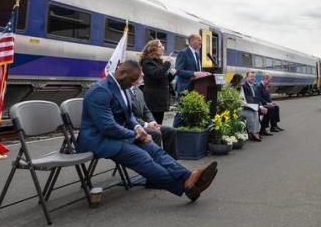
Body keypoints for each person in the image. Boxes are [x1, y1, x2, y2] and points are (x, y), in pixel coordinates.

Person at [77, 60, 218, 202]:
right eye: (132, 80)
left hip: (117, 135)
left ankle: (189, 177)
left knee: (155, 151)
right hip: (97, 140)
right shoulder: (100, 91)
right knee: (142, 157)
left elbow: (128, 115)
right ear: (121, 73)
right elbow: (107, 127)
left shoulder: (122, 87)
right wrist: (136, 134)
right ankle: (185, 186)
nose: (133, 84)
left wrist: (137, 127)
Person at [127, 79, 178, 159]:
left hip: (144, 124)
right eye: (140, 73)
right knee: (156, 133)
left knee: (170, 131)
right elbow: (129, 116)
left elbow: (146, 110)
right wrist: (147, 125)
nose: (143, 75)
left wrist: (152, 121)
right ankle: (156, 162)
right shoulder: (125, 93)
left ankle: (170, 160)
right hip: (133, 127)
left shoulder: (138, 91)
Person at [139, 39, 177, 125]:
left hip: (160, 100)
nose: (163, 48)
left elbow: (164, 80)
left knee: (159, 124)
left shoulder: (158, 62)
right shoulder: (147, 62)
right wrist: (167, 63)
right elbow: (157, 74)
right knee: (153, 124)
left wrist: (172, 74)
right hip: (153, 100)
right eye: (160, 46)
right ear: (153, 49)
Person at [231, 73, 264, 141]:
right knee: (250, 114)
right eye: (241, 81)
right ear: (237, 81)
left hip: (243, 107)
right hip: (236, 109)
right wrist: (242, 103)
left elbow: (243, 98)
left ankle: (255, 132)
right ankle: (252, 132)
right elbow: (234, 100)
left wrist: (246, 104)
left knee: (255, 112)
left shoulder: (241, 88)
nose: (242, 82)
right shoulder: (232, 89)